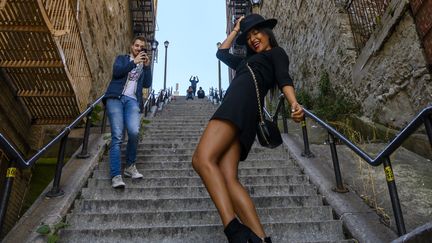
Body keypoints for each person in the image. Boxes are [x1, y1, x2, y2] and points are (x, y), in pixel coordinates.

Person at [192, 14, 304, 243]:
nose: (253, 39)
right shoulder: (245, 62)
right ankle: (261, 239)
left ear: (267, 32)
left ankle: (234, 230)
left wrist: (294, 103)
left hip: (238, 105)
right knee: (227, 176)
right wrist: (235, 30)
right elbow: (221, 53)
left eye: (257, 32)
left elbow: (284, 78)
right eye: (249, 36)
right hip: (244, 112)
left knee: (202, 159)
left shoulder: (276, 54)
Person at [103, 36, 152, 188]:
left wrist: (147, 67)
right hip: (116, 98)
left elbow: (147, 84)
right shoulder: (123, 59)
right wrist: (133, 62)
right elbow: (117, 72)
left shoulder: (142, 66)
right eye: (136, 46)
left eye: (141, 47)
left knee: (134, 132)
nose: (138, 48)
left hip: (132, 101)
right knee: (117, 135)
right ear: (132, 46)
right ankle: (116, 175)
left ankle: (130, 167)